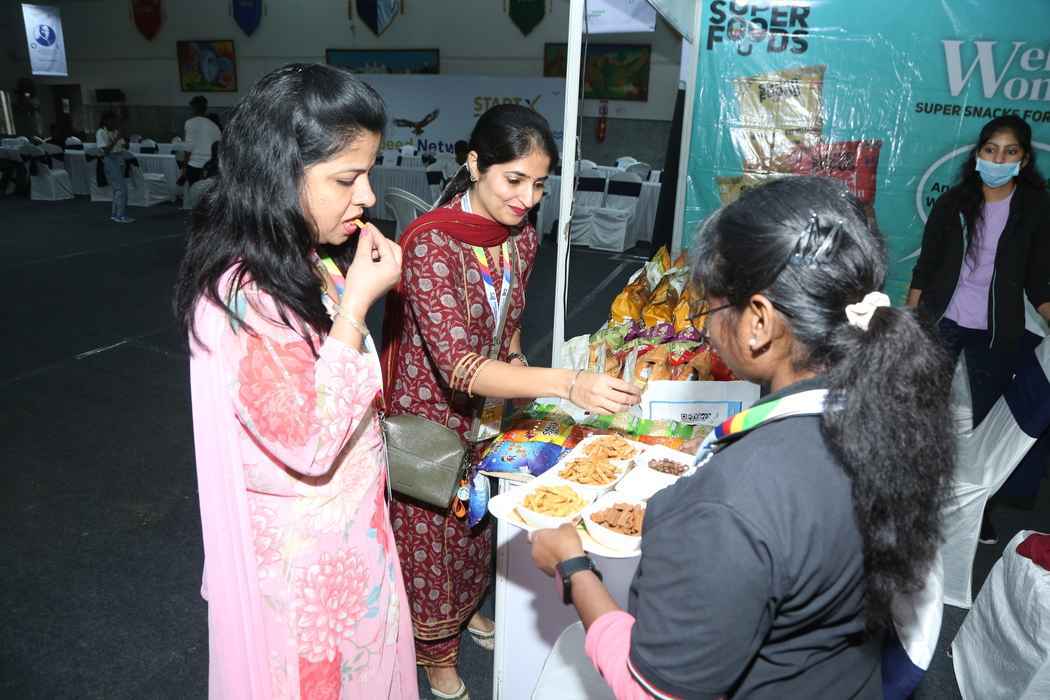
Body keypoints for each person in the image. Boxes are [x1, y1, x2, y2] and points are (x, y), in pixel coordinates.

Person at [531, 176, 956, 699]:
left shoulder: (735, 499)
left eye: (711, 310)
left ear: (759, 321)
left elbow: (652, 690)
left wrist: (574, 568)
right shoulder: (893, 413)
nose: (708, 330)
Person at [173, 63, 418, 699]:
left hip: (350, 544)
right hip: (306, 573)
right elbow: (309, 441)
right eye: (346, 178)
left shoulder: (306, 262)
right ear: (280, 173)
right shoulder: (241, 296)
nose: (367, 196)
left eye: (368, 173)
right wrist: (357, 304)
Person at [381, 104, 641, 699]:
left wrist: (521, 361)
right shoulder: (432, 244)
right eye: (514, 180)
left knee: (479, 523)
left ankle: (469, 608)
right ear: (475, 164)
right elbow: (459, 366)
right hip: (432, 418)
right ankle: (436, 652)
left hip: (491, 409)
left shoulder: (519, 237)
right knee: (433, 537)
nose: (527, 199)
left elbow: (510, 316)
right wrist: (567, 385)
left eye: (539, 185)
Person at [907, 114, 1050, 543]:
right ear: (978, 154)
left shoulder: (1036, 209)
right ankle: (916, 502)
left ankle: (977, 509)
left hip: (996, 333)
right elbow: (926, 267)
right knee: (925, 415)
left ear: (1023, 160)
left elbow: (1039, 279)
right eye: (991, 150)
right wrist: (911, 324)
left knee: (981, 426)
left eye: (1009, 152)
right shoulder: (954, 202)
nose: (998, 159)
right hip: (943, 322)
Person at [96, 112, 132, 223]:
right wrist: (116, 138)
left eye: (115, 121)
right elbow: (106, 151)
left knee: (118, 189)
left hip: (120, 159)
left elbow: (126, 146)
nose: (115, 123)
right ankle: (121, 216)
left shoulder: (115, 131)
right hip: (110, 160)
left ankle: (115, 214)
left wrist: (124, 136)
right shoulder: (101, 132)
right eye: (113, 121)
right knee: (121, 189)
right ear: (105, 121)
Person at [183, 95, 222, 186]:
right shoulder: (214, 126)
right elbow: (219, 147)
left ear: (193, 108)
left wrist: (184, 168)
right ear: (205, 109)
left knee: (193, 191)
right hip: (210, 167)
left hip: (194, 165)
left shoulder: (190, 123)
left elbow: (188, 148)